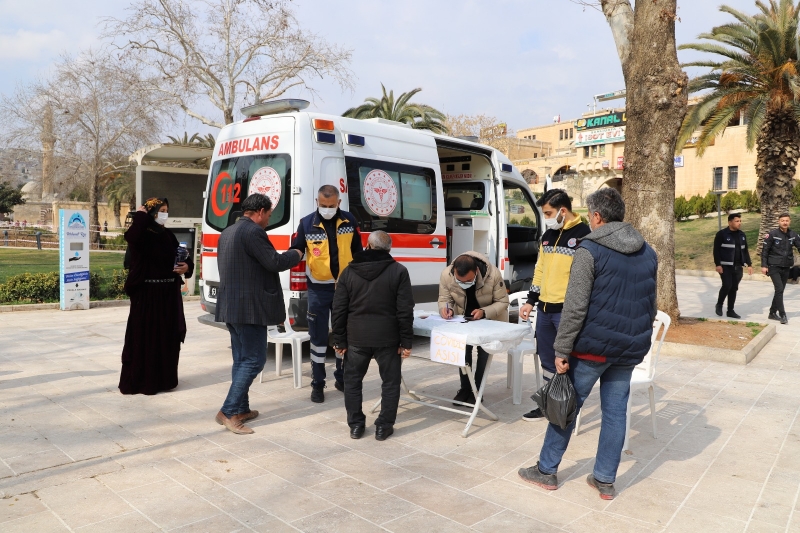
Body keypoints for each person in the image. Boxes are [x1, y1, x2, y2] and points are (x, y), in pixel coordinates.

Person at [518, 188, 657, 501]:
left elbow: (575, 305)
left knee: (564, 407)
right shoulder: (647, 251)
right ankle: (605, 479)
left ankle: (546, 470)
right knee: (615, 413)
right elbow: (650, 303)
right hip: (627, 350)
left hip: (591, 349)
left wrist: (562, 350)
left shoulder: (589, 248)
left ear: (596, 217)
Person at [214, 194, 302, 434]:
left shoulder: (228, 232)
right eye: (269, 215)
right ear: (261, 211)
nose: (268, 220)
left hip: (231, 307)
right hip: (249, 308)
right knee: (254, 360)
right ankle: (229, 412)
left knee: (241, 360)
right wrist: (296, 254)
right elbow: (273, 262)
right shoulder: (253, 232)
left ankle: (241, 408)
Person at [332, 231, 414, 441]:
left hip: (356, 338)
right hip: (388, 339)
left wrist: (339, 340)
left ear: (367, 246)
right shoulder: (399, 271)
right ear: (389, 249)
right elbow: (405, 310)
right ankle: (383, 427)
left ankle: (356, 426)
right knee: (390, 382)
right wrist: (406, 341)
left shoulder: (348, 272)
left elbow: (339, 309)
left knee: (352, 382)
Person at [518, 189, 590, 421]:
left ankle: (569, 407)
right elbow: (539, 270)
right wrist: (531, 300)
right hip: (545, 310)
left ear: (563, 210)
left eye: (548, 213)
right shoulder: (548, 235)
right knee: (547, 360)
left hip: (567, 312)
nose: (546, 217)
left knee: (568, 361)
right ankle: (550, 404)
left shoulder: (584, 236)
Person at [291, 185, 363, 403]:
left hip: (345, 288)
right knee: (318, 338)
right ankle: (318, 384)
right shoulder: (306, 223)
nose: (327, 209)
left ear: (339, 203)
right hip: (318, 289)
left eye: (331, 206)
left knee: (344, 335)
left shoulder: (350, 221)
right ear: (317, 201)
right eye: (323, 205)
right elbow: (297, 250)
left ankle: (342, 377)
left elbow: (359, 254)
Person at [119, 197, 193, 395]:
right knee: (145, 338)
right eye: (161, 210)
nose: (165, 214)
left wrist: (187, 267)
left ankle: (164, 380)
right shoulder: (142, 234)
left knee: (166, 338)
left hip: (168, 296)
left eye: (167, 210)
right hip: (147, 297)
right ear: (151, 212)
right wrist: (141, 217)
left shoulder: (167, 235)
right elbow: (131, 237)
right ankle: (142, 381)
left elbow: (183, 257)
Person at [438, 251, 509, 405]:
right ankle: (465, 388)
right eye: (460, 280)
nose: (465, 283)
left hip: (489, 320)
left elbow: (503, 302)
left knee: (484, 352)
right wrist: (446, 308)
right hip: (464, 320)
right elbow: (444, 299)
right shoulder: (446, 274)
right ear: (454, 272)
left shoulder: (493, 275)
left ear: (476, 270)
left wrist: (484, 312)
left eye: (469, 280)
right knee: (462, 351)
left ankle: (477, 389)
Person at [762, 213, 800, 324]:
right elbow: (765, 251)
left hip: (786, 266)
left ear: (790, 221)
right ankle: (782, 314)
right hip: (773, 266)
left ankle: (772, 312)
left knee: (780, 290)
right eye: (782, 220)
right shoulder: (772, 234)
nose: (785, 222)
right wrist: (764, 265)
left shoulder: (793, 235)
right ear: (779, 221)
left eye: (787, 220)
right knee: (779, 289)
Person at [713, 213, 752, 318]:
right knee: (727, 285)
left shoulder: (742, 235)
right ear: (730, 222)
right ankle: (719, 304)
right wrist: (718, 264)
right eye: (737, 221)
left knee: (734, 288)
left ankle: (730, 310)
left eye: (740, 221)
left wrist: (749, 264)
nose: (739, 223)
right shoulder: (721, 234)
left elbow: (745, 250)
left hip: (738, 266)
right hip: (725, 266)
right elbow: (716, 250)